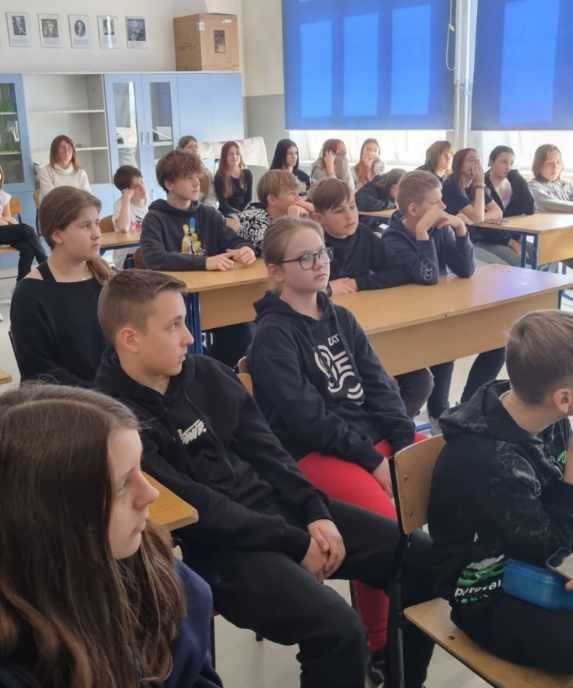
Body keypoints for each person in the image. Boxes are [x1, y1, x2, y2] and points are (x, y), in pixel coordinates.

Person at [95, 268, 435, 688]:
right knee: (339, 630)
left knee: (422, 558)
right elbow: (204, 509)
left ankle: (402, 678)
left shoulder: (207, 374)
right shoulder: (117, 422)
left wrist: (314, 511)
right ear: (130, 339)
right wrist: (296, 542)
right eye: (174, 326)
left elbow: (270, 451)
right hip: (224, 549)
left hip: (281, 513)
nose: (189, 337)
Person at [247, 216, 430, 684]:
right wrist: (375, 462)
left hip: (369, 441)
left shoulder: (340, 316)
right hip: (313, 453)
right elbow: (308, 420)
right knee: (390, 528)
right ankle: (379, 643)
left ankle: (429, 612)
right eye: (305, 257)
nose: (320, 263)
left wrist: (402, 443)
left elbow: (381, 385)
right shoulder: (272, 336)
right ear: (276, 271)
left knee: (448, 477)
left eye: (322, 253)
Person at [0, 383, 222, 688]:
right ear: (49, 519)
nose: (150, 494)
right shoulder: (16, 662)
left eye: (140, 470)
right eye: (121, 485)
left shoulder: (158, 573)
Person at [429, 310, 573, 674]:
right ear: (564, 399)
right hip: (486, 589)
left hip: (539, 555)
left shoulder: (543, 414)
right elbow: (550, 551)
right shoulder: (488, 461)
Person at [380, 170, 504, 428]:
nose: (444, 207)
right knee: (444, 349)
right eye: (436, 202)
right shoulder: (392, 238)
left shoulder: (440, 229)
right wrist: (422, 233)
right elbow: (428, 276)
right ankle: (439, 413)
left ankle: (468, 405)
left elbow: (466, 269)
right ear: (413, 209)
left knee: (498, 340)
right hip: (409, 323)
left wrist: (461, 231)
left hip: (439, 312)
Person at [313, 178, 433, 419]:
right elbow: (292, 288)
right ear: (319, 217)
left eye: (352, 206)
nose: (350, 216)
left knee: (421, 379)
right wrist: (326, 289)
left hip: (370, 326)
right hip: (329, 338)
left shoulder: (364, 236)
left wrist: (360, 283)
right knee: (381, 384)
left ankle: (394, 426)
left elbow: (399, 270)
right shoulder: (311, 243)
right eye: (339, 211)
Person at [141, 149, 255, 367]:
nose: (196, 183)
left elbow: (234, 240)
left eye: (197, 177)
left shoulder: (208, 214)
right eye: (188, 178)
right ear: (169, 184)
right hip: (176, 300)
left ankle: (228, 373)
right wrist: (204, 262)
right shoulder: (155, 218)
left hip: (214, 295)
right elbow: (154, 258)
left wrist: (245, 249)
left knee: (240, 330)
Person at [10, 187, 110, 386]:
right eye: (86, 226)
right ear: (57, 235)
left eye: (97, 223)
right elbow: (40, 372)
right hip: (69, 400)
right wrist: (104, 396)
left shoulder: (106, 279)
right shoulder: (30, 294)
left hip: (115, 393)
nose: (97, 234)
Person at [442, 148, 509, 267]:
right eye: (471, 160)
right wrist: (480, 184)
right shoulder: (451, 185)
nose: (476, 164)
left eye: (478, 161)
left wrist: (473, 218)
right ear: (459, 164)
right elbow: (478, 217)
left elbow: (497, 212)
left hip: (476, 239)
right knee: (501, 267)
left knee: (514, 262)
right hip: (456, 243)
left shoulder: (476, 185)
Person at [237, 169, 309, 254]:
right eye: (292, 194)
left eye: (298, 194)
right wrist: (293, 221)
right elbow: (275, 252)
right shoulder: (254, 218)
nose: (298, 198)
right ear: (272, 200)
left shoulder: (281, 217)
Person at [0, 165, 46, 281]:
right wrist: (5, 220)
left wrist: (4, 220)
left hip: (4, 231)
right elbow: (7, 219)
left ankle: (22, 283)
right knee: (26, 229)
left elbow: (8, 217)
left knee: (28, 249)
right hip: (3, 231)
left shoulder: (3, 195)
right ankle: (46, 265)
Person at [112, 164, 148, 269]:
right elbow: (124, 228)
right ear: (126, 191)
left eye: (142, 182)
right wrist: (126, 199)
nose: (142, 188)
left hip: (147, 254)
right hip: (128, 259)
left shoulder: (150, 203)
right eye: (136, 186)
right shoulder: (121, 205)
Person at [37, 135, 91, 202]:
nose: (66, 151)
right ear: (55, 151)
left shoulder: (81, 173)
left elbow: (87, 197)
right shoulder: (45, 171)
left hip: (77, 206)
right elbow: (51, 198)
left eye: (69, 148)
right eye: (62, 148)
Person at [486, 145, 535, 218]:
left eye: (511, 163)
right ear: (491, 162)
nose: (508, 167)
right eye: (504, 162)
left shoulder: (515, 179)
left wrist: (521, 182)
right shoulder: (483, 183)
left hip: (517, 224)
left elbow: (530, 209)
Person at [529, 144, 573, 213]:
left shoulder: (567, 185)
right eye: (549, 163)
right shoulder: (533, 187)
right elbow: (555, 206)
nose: (555, 167)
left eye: (558, 162)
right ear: (539, 165)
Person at [213, 141, 253, 217]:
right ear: (225, 157)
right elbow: (223, 204)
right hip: (227, 215)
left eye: (237, 153)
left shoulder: (247, 174)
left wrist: (244, 215)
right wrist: (238, 215)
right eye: (230, 154)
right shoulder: (219, 177)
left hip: (244, 214)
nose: (234, 157)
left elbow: (248, 200)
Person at [177, 135, 217, 207]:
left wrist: (210, 209)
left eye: (196, 147)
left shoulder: (203, 168)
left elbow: (211, 193)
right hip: (190, 207)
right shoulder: (179, 170)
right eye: (189, 147)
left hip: (208, 206)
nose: (194, 149)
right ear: (181, 150)